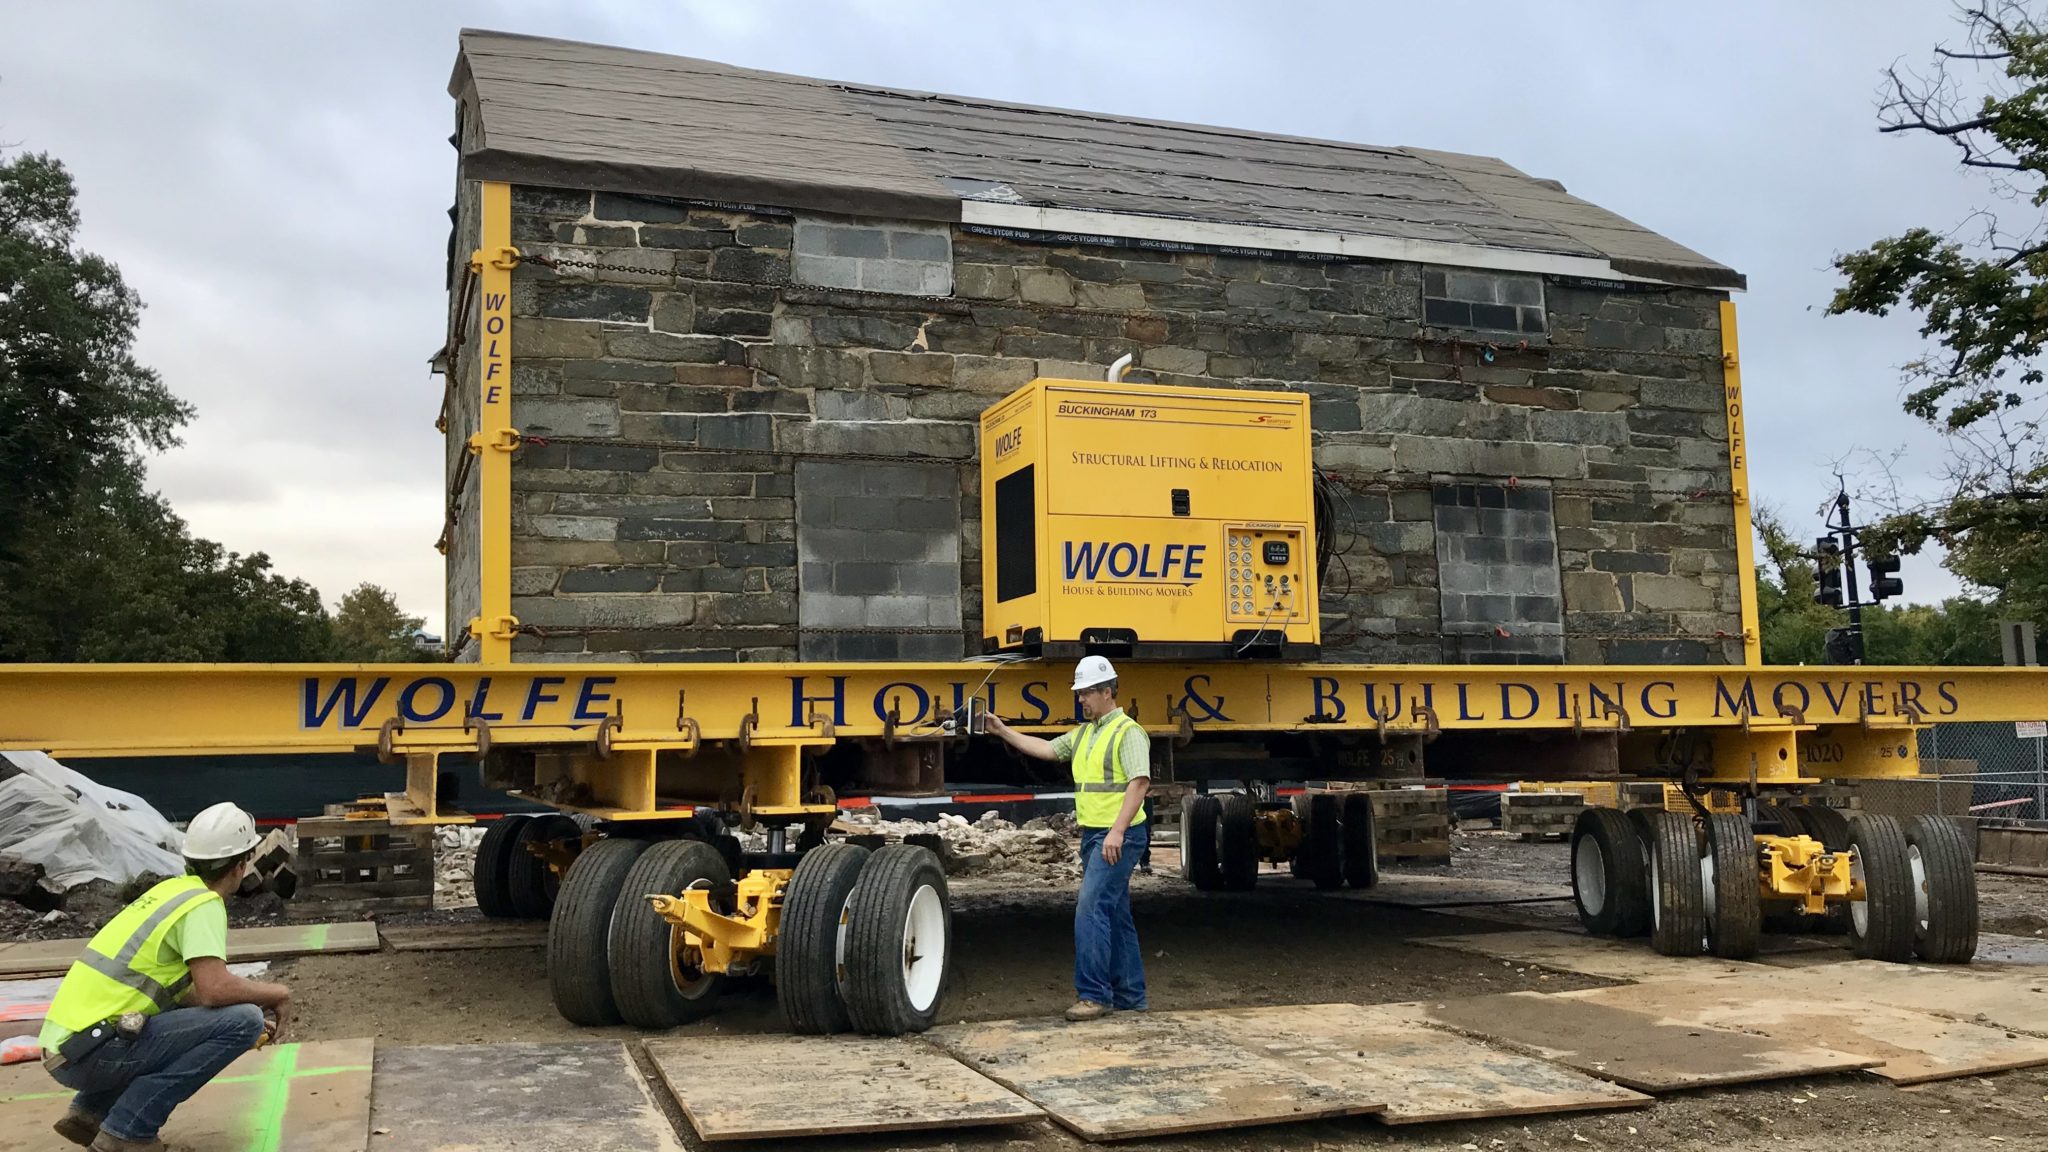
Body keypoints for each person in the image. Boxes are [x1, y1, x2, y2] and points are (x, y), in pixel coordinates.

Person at [39, 802, 294, 1152]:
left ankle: (91, 1112)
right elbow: (213, 989)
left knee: (234, 1019)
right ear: (240, 864)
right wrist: (274, 994)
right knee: (246, 1020)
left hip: (68, 1047)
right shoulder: (203, 905)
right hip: (92, 1053)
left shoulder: (168, 893)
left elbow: (187, 993)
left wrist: (221, 1022)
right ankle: (129, 1131)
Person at [985, 655, 1150, 1021]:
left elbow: (1139, 783)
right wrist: (1002, 730)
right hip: (1097, 835)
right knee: (1115, 914)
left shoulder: (1128, 731)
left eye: (1086, 693)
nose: (1081, 700)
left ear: (1107, 692)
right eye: (1079, 694)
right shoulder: (1086, 733)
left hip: (1117, 836)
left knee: (1090, 909)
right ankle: (1131, 996)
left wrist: (1118, 832)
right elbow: (1045, 749)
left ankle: (1094, 995)